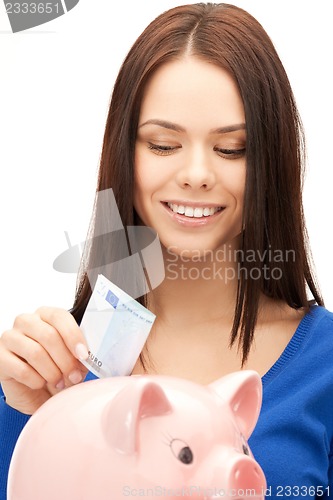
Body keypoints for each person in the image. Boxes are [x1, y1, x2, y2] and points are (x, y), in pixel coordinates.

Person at [1, 2, 333, 498]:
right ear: (123, 152)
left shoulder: (326, 365)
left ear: (272, 160)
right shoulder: (43, 369)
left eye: (232, 149)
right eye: (162, 144)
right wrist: (24, 421)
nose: (197, 173)